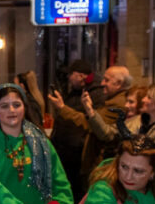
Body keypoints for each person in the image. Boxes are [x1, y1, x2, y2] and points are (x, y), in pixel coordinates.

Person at [0, 84, 74, 204]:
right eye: (4, 106)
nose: (11, 110)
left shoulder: (42, 143)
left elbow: (60, 184)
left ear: (24, 108)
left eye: (17, 105)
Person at [47, 66, 131, 194]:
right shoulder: (110, 99)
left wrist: (63, 108)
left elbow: (92, 124)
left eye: (107, 80)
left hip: (100, 159)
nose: (103, 83)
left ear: (119, 84)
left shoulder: (117, 104)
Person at [88, 83, 155, 186]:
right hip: (126, 185)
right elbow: (108, 133)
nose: (143, 100)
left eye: (149, 97)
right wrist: (91, 113)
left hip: (150, 192)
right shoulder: (136, 122)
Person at [50, 60, 103, 195]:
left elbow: (87, 121)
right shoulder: (76, 91)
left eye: (71, 74)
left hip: (78, 154)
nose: (68, 77)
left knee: (78, 191)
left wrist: (62, 107)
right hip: (67, 151)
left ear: (80, 76)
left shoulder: (95, 94)